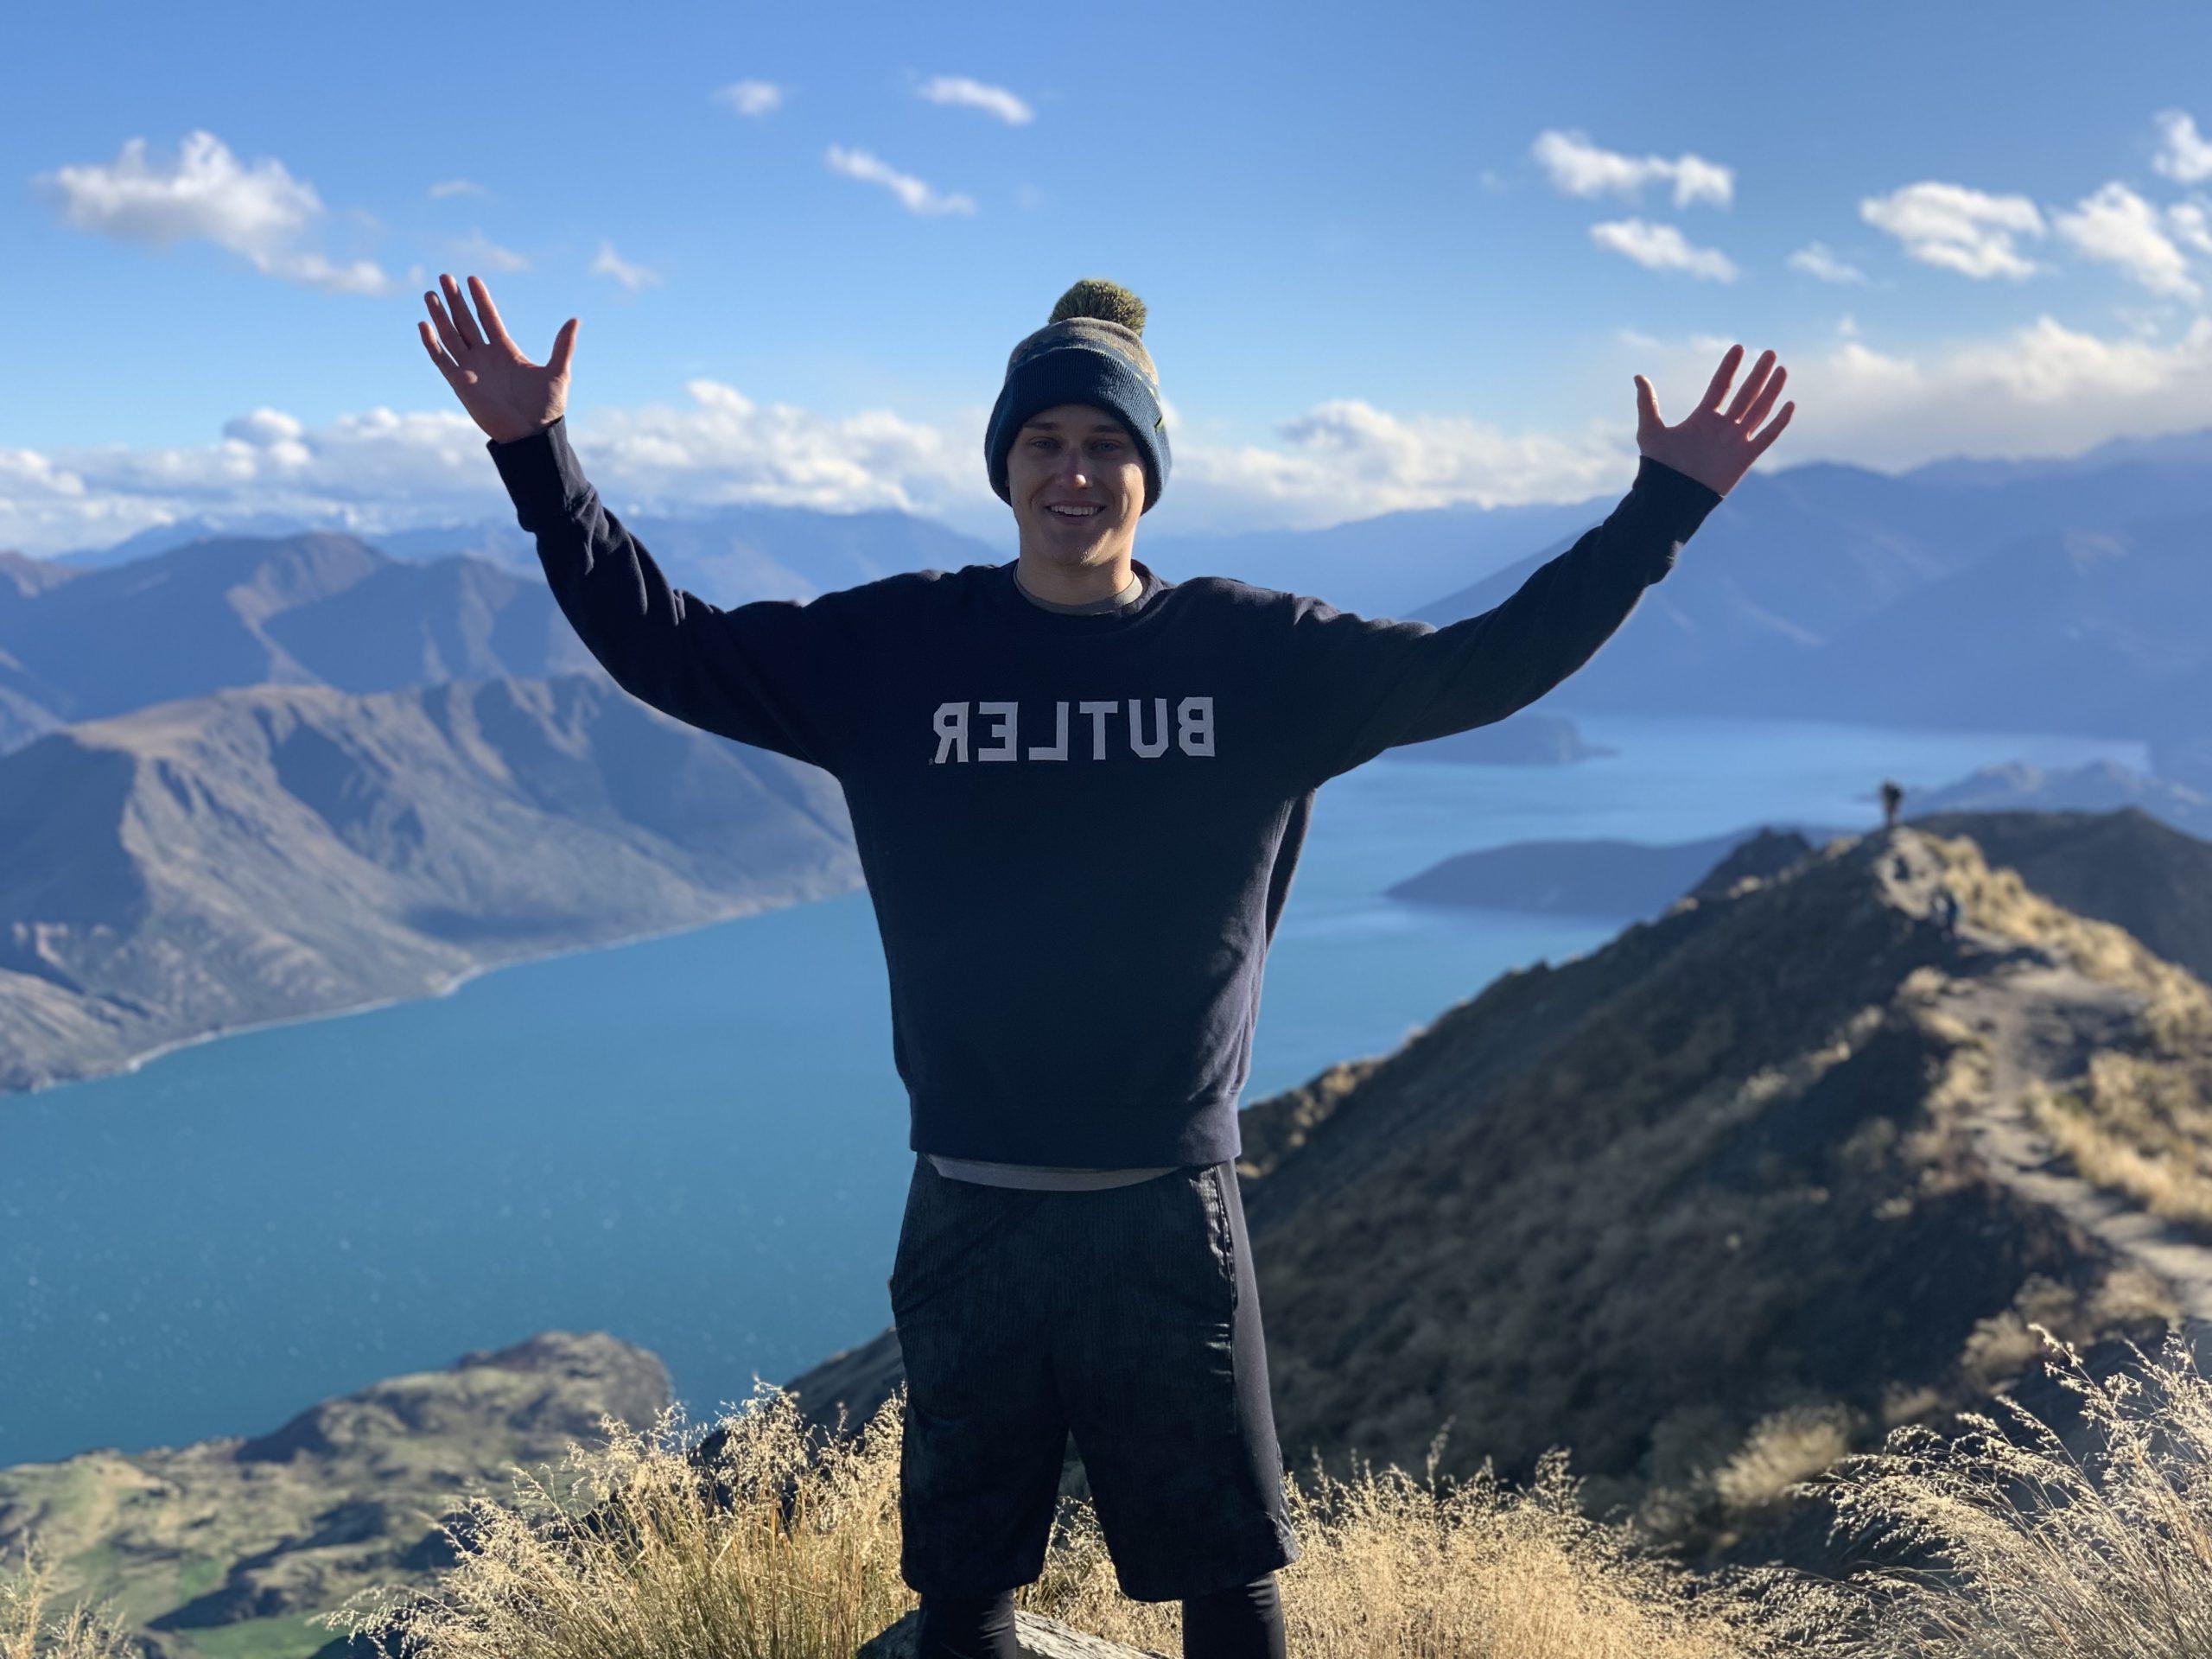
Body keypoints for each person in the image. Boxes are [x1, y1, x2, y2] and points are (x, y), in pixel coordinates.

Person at [419, 270, 1789, 1658]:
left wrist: (1662, 508)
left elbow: (1496, 661)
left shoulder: (1257, 657)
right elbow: (671, 644)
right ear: (1005, 469)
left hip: (1165, 1204)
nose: (1075, 474)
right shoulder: (900, 647)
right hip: (971, 1199)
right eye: (1045, 446)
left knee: (1227, 1583)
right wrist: (538, 459)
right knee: (961, 1593)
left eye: (1107, 445)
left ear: (1151, 471)